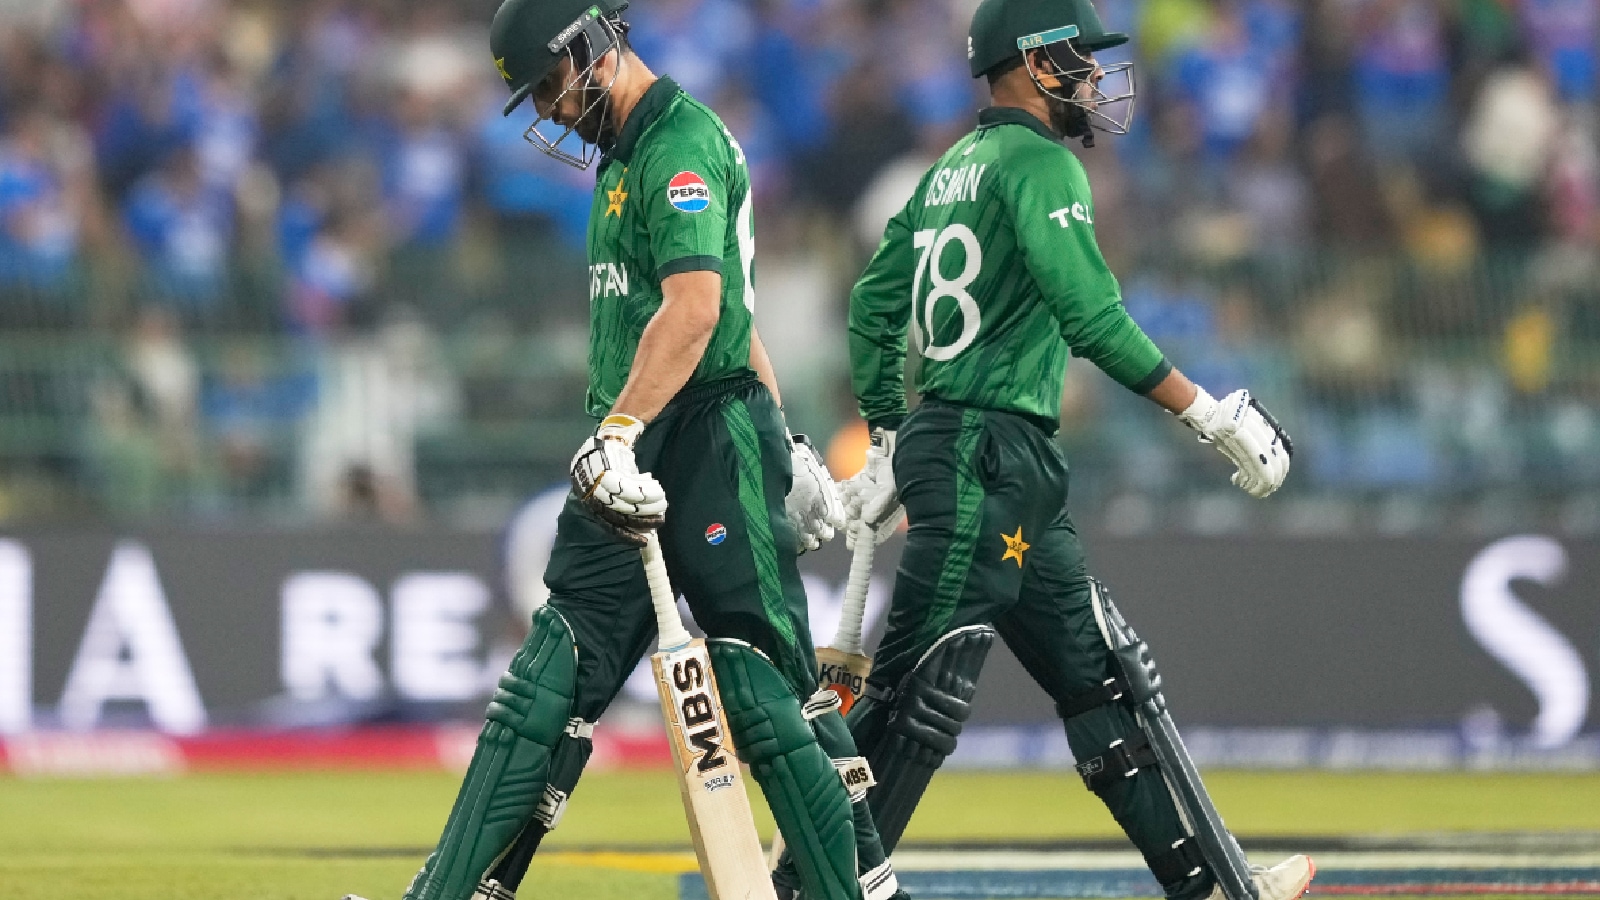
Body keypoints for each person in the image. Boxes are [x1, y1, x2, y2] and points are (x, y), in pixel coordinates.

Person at [345, 1, 903, 898]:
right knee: (548, 681)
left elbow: (699, 313)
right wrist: (776, 430)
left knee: (768, 690)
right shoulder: (626, 155)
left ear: (592, 47)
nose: (550, 110)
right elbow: (727, 310)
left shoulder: (680, 145)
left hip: (701, 438)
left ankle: (863, 889)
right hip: (641, 440)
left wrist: (648, 434)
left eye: (549, 85)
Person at [834, 0, 1312, 899]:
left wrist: (890, 431)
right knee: (918, 691)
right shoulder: (1040, 162)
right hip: (985, 450)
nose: (1094, 77)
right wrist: (1209, 414)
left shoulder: (948, 169)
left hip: (987, 455)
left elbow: (871, 306)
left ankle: (1205, 883)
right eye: (1078, 58)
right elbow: (1091, 318)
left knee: (1103, 678)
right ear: (1032, 61)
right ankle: (821, 882)